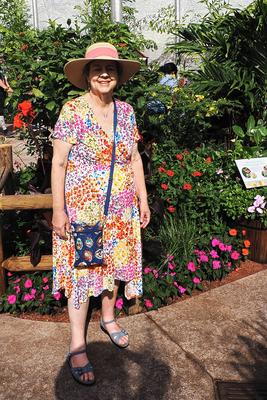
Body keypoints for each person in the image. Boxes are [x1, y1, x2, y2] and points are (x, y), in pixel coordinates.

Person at [51, 42, 150, 385]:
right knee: (82, 275)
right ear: (87, 76)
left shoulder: (127, 111)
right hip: (83, 212)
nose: (104, 74)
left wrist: (143, 199)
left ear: (119, 76)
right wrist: (59, 210)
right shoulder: (72, 110)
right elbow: (59, 162)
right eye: (97, 69)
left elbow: (134, 158)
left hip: (122, 211)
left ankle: (108, 318)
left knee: (114, 266)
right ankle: (78, 345)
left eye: (110, 69)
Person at [0, 55, 13, 135]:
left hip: (2, 92)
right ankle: (4, 130)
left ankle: (4, 129)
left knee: (1, 110)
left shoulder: (1, 69)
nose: (1, 59)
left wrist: (9, 88)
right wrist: (5, 87)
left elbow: (4, 80)